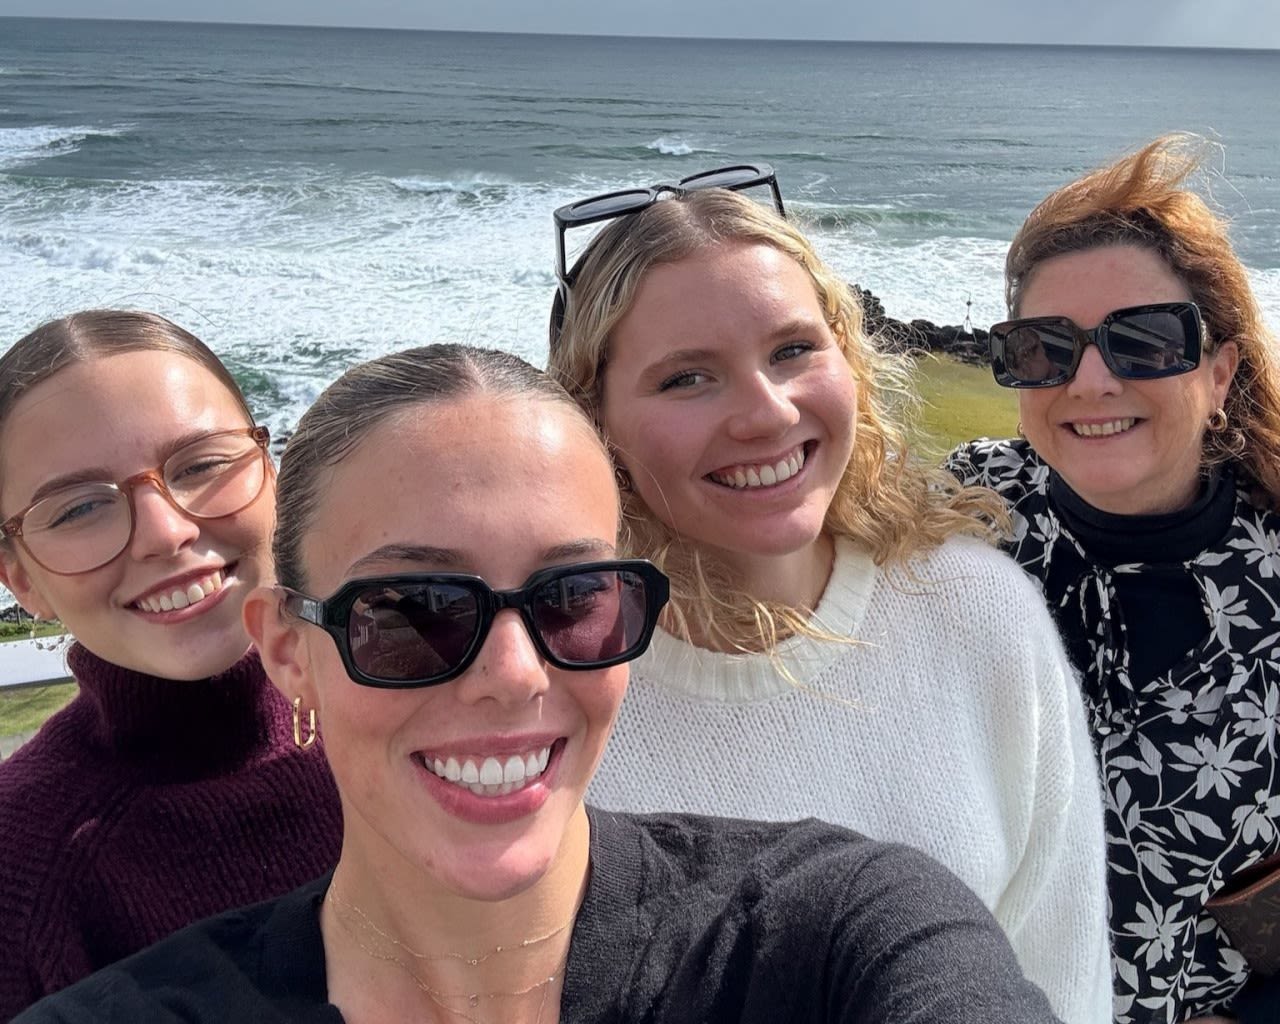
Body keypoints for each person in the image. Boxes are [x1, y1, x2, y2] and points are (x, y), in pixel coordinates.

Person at [15, 344, 1064, 1023]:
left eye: (571, 598)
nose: (513, 676)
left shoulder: (827, 933)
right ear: (289, 648)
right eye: (410, 614)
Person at [546, 170, 1109, 1021]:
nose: (766, 415)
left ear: (850, 355)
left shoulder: (979, 616)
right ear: (596, 421)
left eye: (793, 350)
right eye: (686, 379)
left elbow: (1063, 975)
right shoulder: (552, 680)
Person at [947, 134, 1280, 1024]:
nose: (1091, 380)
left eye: (1142, 341)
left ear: (1220, 373)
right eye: (1042, 347)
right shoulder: (952, 518)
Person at [0, 310, 343, 1018]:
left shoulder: (416, 699)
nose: (168, 531)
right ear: (20, 580)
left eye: (202, 465)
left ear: (273, 475)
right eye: (78, 509)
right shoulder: (21, 863)